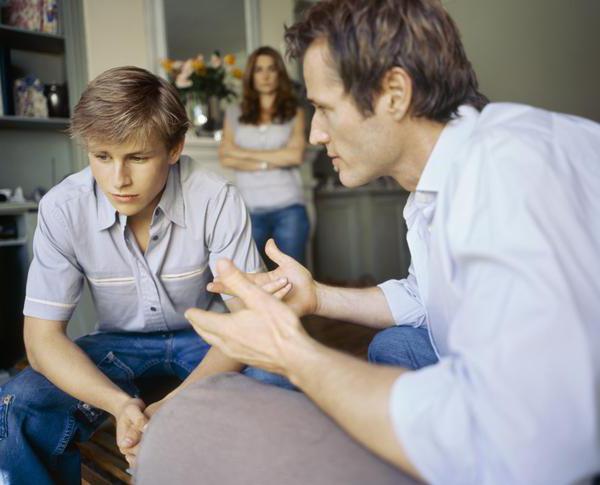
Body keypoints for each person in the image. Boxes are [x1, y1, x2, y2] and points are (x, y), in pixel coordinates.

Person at [135, 1, 600, 484]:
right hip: (516, 413)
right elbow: (428, 299)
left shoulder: (508, 173)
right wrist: (314, 297)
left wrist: (292, 352)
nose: (315, 133)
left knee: (188, 421)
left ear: (394, 93)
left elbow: (530, 448)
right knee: (394, 345)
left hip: (535, 448)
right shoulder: (436, 186)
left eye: (324, 108)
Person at [0, 66, 293, 485]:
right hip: (117, 345)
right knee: (17, 405)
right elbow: (42, 340)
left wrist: (171, 405)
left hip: (211, 337)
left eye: (137, 157)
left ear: (175, 148)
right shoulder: (62, 208)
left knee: (279, 384)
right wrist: (120, 405)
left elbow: (250, 323)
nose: (117, 179)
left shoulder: (215, 198)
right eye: (102, 157)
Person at [219, 46, 310, 267]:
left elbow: (295, 156)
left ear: (280, 73)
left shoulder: (294, 112)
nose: (266, 75)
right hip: (250, 210)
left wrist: (243, 153)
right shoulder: (234, 112)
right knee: (254, 277)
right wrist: (272, 159)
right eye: (259, 69)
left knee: (292, 278)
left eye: (272, 69)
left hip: (289, 208)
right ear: (251, 75)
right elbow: (225, 157)